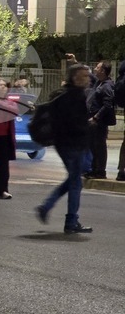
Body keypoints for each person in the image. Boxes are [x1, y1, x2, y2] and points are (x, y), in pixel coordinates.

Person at [35, 63, 93, 234]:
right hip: (73, 145)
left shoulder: (70, 95)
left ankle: (47, 207)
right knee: (76, 183)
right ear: (75, 78)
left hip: (71, 144)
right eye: (85, 75)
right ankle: (70, 222)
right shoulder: (73, 97)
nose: (88, 78)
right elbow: (72, 124)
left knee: (75, 179)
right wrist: (87, 127)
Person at [84, 60, 115, 179]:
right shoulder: (99, 82)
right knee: (93, 145)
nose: (95, 69)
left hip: (99, 122)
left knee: (99, 146)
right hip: (92, 120)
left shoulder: (107, 86)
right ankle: (94, 169)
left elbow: (107, 105)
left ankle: (100, 171)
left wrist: (96, 117)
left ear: (103, 71)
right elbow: (90, 75)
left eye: (97, 67)